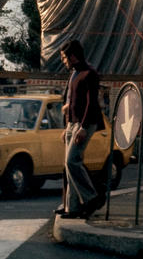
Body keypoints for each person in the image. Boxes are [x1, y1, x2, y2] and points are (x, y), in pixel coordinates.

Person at [57, 39, 104, 219]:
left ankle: (92, 197)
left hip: (85, 123)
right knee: (68, 166)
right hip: (72, 123)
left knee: (72, 161)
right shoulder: (74, 74)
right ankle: (72, 207)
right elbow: (70, 101)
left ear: (73, 56)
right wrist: (67, 126)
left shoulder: (89, 73)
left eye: (64, 57)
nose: (63, 61)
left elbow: (91, 103)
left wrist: (83, 127)